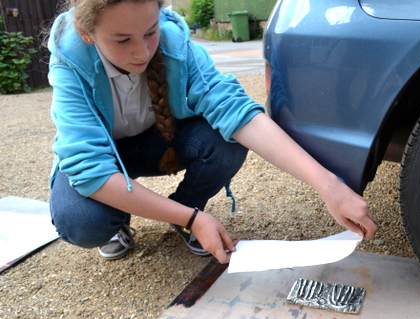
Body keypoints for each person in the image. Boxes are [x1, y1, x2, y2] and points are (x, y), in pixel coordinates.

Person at [47, 0, 377, 265]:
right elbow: (89, 169)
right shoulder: (70, 59)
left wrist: (329, 185)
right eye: (122, 40)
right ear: (87, 33)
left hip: (155, 144)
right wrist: (195, 220)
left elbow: (237, 110)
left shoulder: (175, 43)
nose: (142, 52)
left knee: (226, 139)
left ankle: (184, 209)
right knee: (81, 221)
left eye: (150, 32)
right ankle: (124, 220)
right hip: (105, 158)